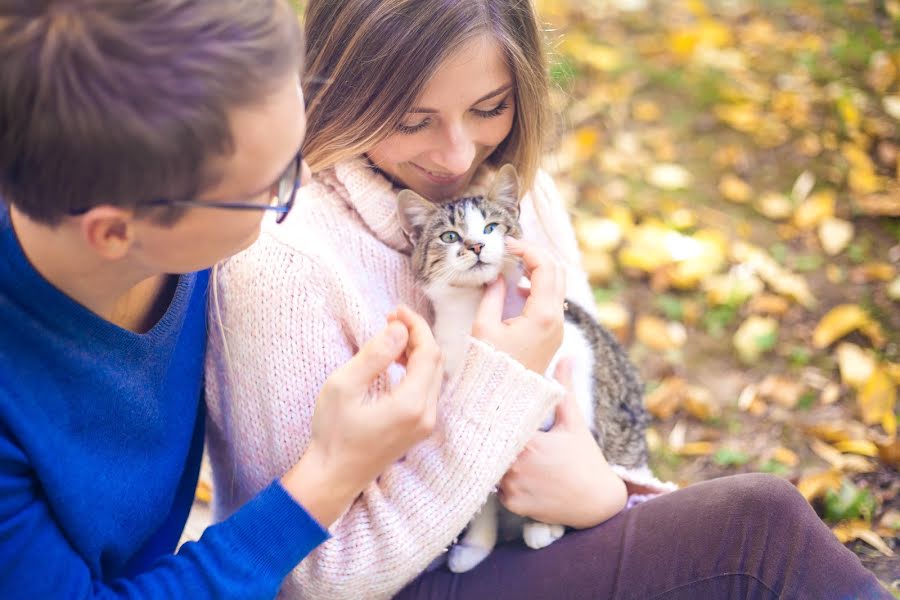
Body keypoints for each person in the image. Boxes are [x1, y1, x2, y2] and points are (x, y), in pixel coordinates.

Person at [204, 1, 893, 599]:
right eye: (412, 120)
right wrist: (498, 387)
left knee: (760, 531)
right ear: (341, 93)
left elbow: (588, 413)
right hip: (396, 583)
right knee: (758, 531)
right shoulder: (283, 258)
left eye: (489, 108)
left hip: (533, 538)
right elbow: (308, 577)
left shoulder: (508, 185)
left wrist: (607, 491)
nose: (454, 154)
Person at [0, 1, 446, 597]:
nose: (306, 182)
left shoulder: (172, 211)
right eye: (271, 185)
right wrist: (331, 472)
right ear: (114, 233)